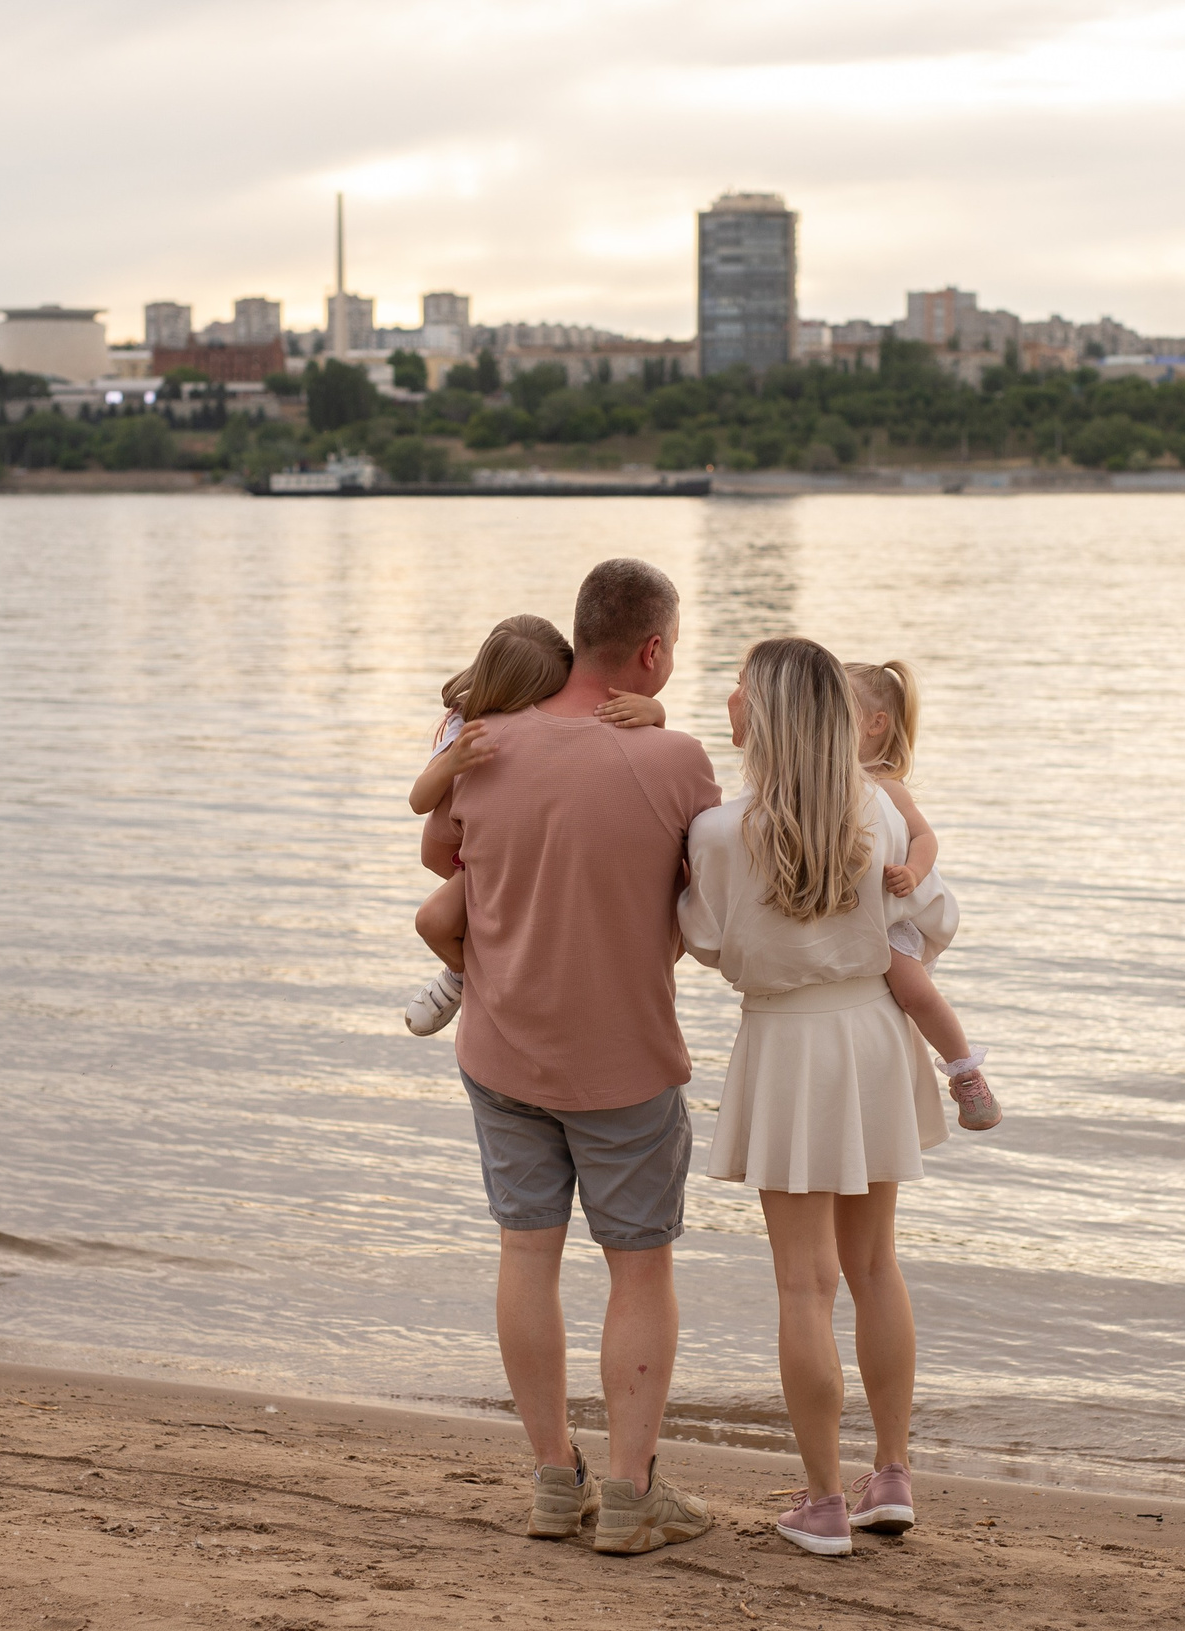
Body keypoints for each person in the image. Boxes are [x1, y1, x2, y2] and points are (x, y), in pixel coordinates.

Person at [419, 558, 722, 1555]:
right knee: (638, 1270)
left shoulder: (483, 745)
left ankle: (556, 1481)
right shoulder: (675, 760)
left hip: (502, 1047)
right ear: (651, 650)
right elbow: (702, 902)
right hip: (624, 1061)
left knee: (526, 1251)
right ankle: (630, 1495)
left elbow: (445, 860)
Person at [677, 637, 959, 1558]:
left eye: (737, 687)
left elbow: (707, 942)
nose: (724, 698)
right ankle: (891, 1475)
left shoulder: (719, 830)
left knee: (803, 1283)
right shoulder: (877, 809)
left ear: (760, 713)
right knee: (875, 1267)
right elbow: (935, 921)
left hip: (786, 1042)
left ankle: (824, 1500)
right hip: (873, 1034)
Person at [403, 614, 664, 1035]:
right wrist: (449, 765)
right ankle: (463, 976)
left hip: (534, 861)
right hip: (478, 864)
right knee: (431, 920)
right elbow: (418, 801)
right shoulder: (462, 725)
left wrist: (656, 712)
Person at [845, 659, 998, 1129]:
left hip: (892, 921)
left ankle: (965, 1072)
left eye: (840, 708)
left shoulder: (886, 786)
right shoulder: (827, 777)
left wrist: (913, 871)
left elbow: (926, 838)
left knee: (913, 992)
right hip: (860, 916)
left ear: (876, 724)